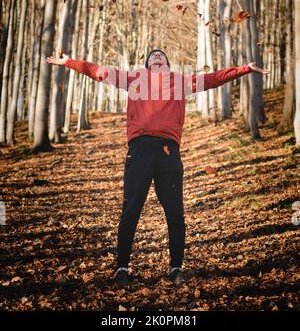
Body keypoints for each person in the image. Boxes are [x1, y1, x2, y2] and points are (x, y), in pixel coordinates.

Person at [46, 50, 269, 285]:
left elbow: (214, 79)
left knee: (175, 212)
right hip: (139, 151)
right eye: (153, 55)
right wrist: (69, 62)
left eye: (161, 55)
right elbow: (97, 71)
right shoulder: (133, 79)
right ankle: (122, 268)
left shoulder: (180, 81)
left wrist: (244, 69)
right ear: (146, 63)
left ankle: (175, 268)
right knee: (131, 210)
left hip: (168, 153)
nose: (157, 56)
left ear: (168, 62)